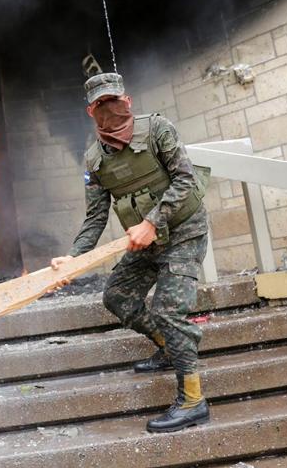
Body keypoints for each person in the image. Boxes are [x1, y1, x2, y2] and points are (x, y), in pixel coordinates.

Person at [50, 72, 211, 433]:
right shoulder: (94, 160)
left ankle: (193, 400)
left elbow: (186, 179)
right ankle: (169, 347)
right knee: (117, 296)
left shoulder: (158, 130)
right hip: (145, 241)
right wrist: (74, 258)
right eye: (101, 105)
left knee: (170, 309)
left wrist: (152, 222)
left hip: (184, 232)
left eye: (115, 101)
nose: (110, 109)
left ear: (128, 101)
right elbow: (95, 217)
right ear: (91, 111)